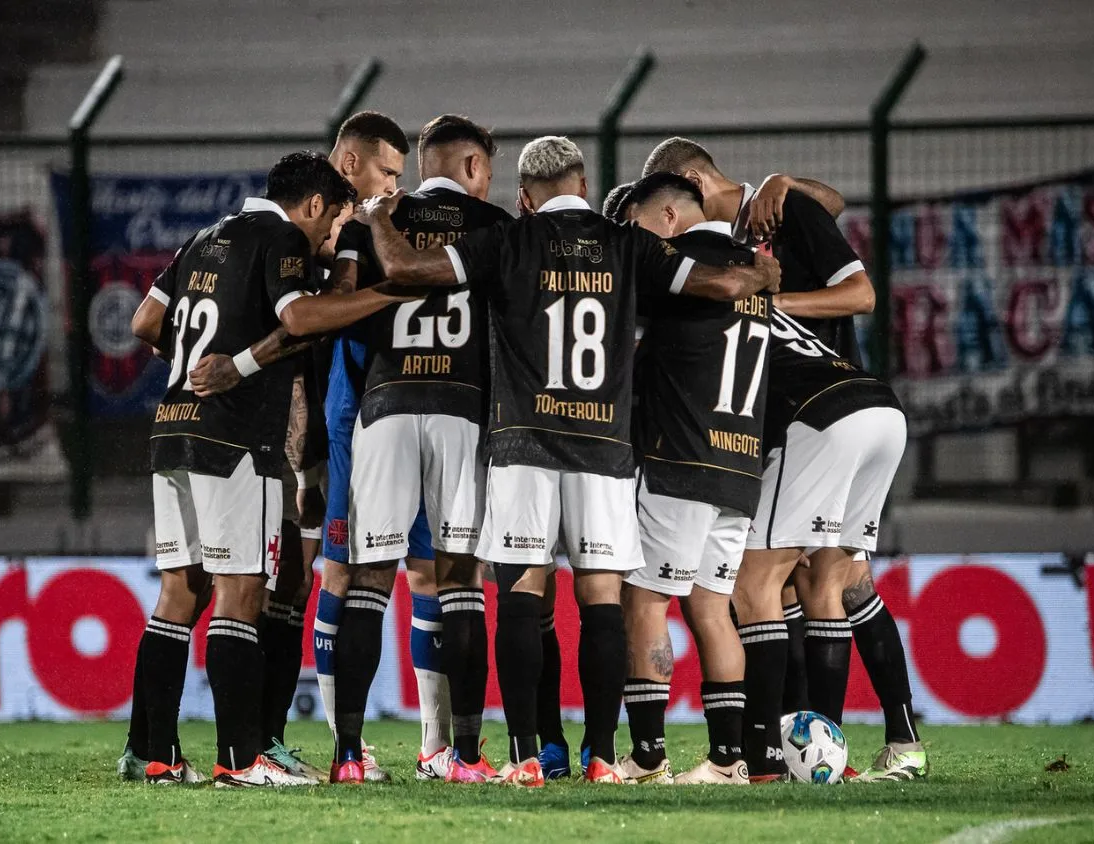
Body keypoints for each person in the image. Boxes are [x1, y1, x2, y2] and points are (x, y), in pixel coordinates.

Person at [348, 135, 781, 786]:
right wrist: (761, 276)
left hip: (524, 441)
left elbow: (410, 273)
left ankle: (525, 756)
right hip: (602, 447)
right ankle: (604, 757)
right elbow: (719, 283)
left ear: (524, 198)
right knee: (603, 596)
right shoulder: (626, 243)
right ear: (583, 185)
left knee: (522, 593)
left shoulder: (509, 240)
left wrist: (378, 216)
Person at [644, 138, 924, 781]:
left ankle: (764, 754)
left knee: (752, 583)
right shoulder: (741, 237)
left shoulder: (766, 223)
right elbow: (829, 200)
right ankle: (881, 745)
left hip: (817, 415)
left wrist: (756, 301)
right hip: (864, 410)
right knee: (834, 582)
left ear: (689, 183)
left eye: (674, 205)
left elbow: (859, 294)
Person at [126, 150, 406, 787]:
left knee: (177, 593)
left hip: (172, 431)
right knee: (242, 591)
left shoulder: (203, 237)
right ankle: (240, 759)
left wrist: (196, 360)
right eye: (330, 220)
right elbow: (300, 318)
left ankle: (155, 755)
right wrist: (384, 292)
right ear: (312, 206)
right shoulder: (281, 236)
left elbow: (145, 321)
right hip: (236, 440)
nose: (327, 237)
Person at [327, 115, 511, 784]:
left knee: (370, 579)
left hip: (384, 404)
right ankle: (462, 756)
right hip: (462, 410)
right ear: (469, 169)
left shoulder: (368, 220)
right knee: (460, 581)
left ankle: (347, 757)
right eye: (486, 169)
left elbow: (340, 306)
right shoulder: (495, 229)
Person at [606, 172, 770, 785]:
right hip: (739, 464)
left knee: (644, 599)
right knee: (711, 606)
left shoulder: (679, 266)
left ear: (668, 217)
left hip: (681, 459)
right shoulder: (755, 273)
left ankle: (647, 755)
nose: (636, 245)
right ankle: (728, 759)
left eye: (638, 230)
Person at [311, 111, 442, 782]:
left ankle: (435, 747)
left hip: (403, 415)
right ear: (352, 162)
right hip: (350, 417)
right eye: (389, 170)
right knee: (343, 572)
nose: (398, 184)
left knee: (426, 572)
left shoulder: (378, 224)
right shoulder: (328, 225)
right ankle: (348, 746)